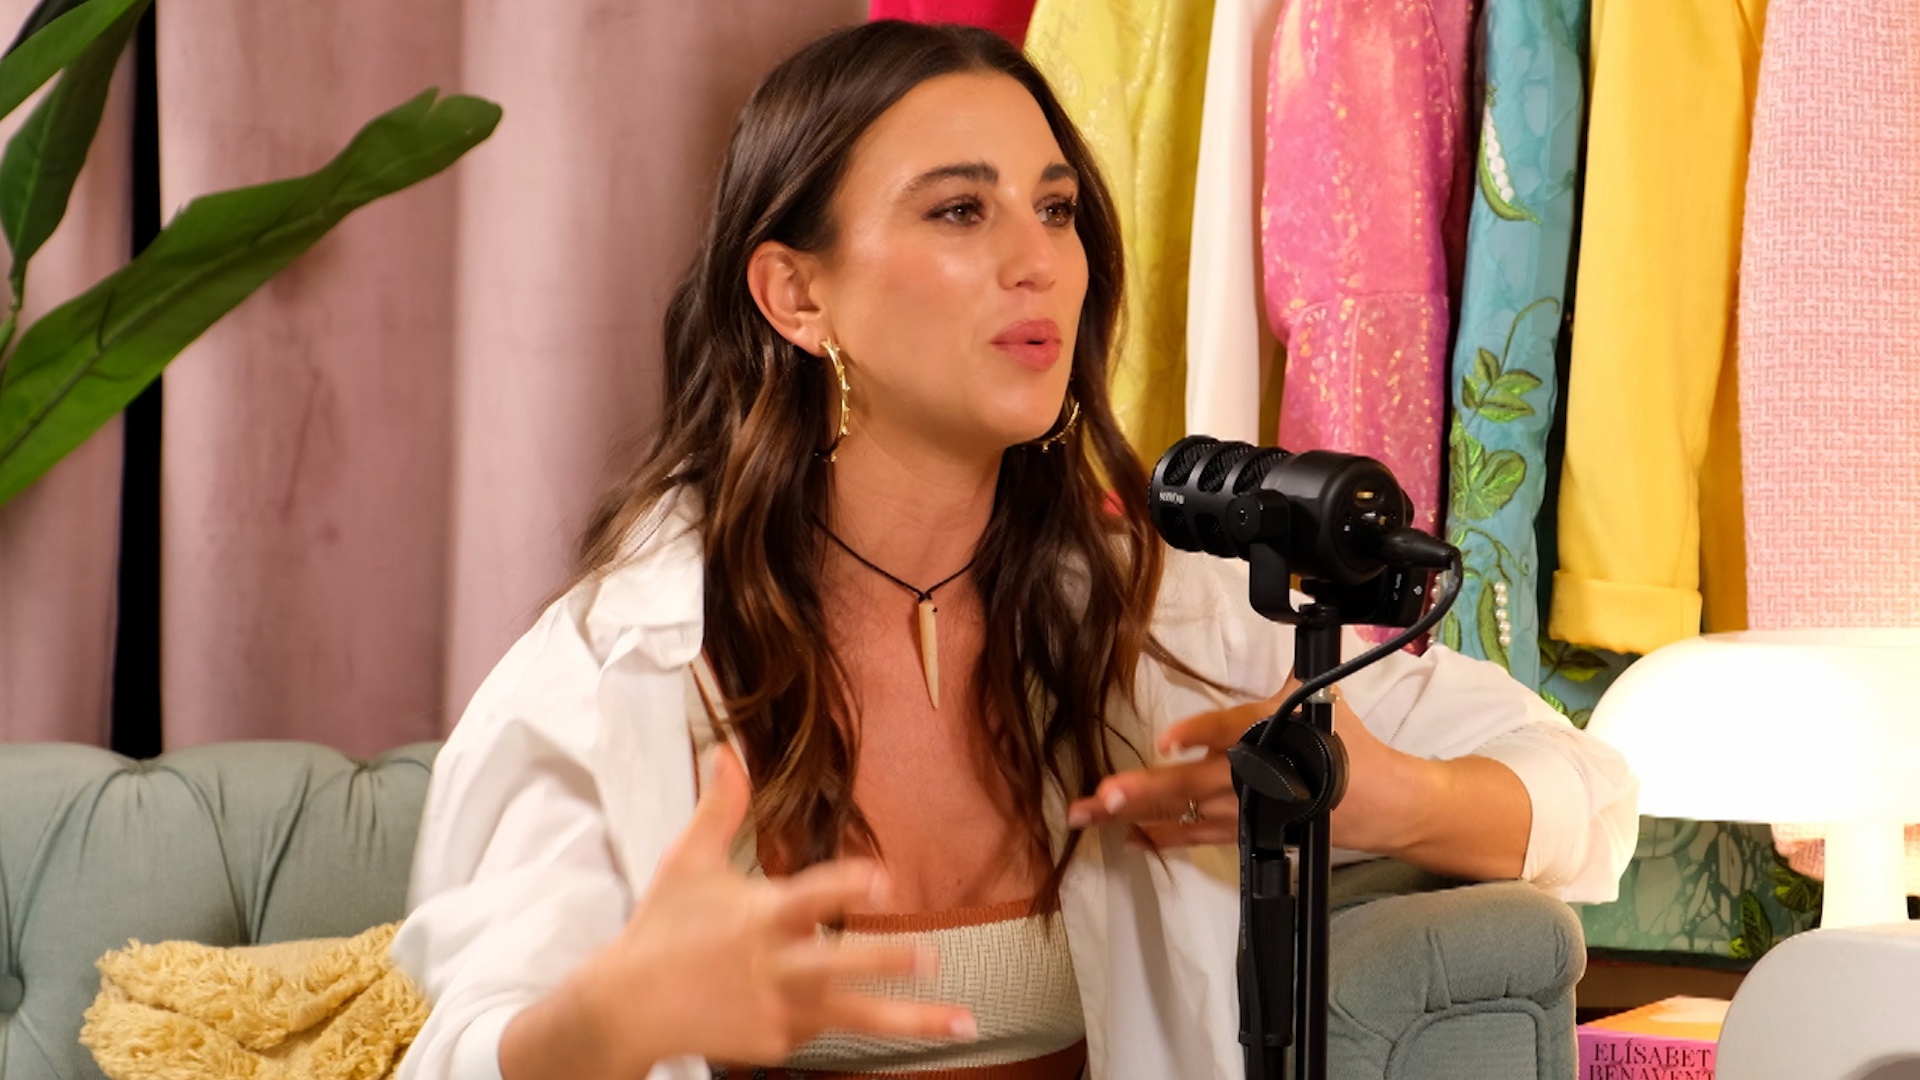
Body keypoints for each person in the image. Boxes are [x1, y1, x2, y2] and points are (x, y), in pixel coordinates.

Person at [391, 20, 1638, 1080]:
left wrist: (1387, 795)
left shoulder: (1168, 617)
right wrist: (611, 1020)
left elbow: (1586, 796)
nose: (1037, 260)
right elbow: (455, 1052)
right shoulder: (623, 661)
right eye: (958, 210)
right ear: (796, 297)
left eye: (1054, 208)